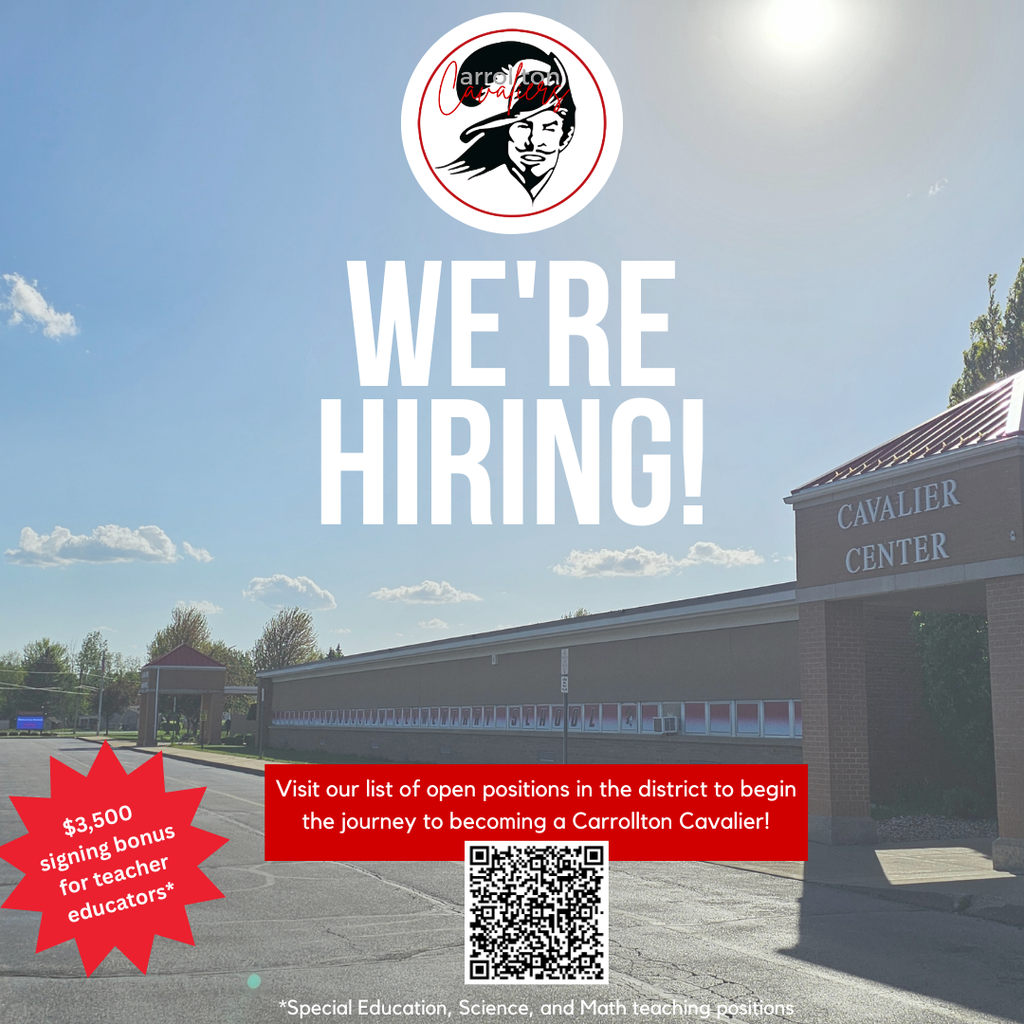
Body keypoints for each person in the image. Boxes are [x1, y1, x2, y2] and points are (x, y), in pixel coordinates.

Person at [440, 41, 576, 206]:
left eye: (548, 127)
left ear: (567, 135)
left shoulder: (571, 188)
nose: (533, 142)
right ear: (504, 134)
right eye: (523, 127)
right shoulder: (476, 193)